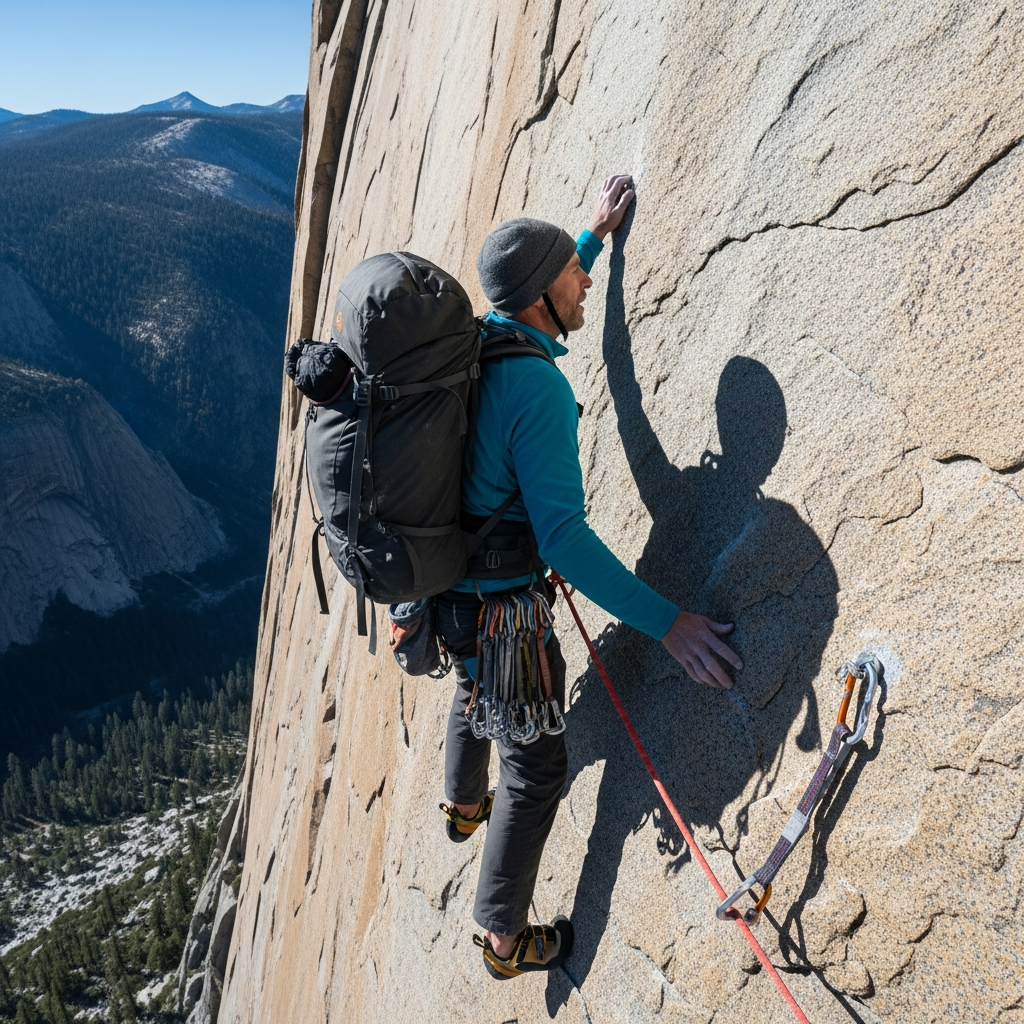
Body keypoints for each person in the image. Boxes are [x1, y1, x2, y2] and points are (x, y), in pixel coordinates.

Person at [432, 174, 743, 980]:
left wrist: (594, 234)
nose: (587, 278)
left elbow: (550, 277)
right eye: (575, 274)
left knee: (472, 690)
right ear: (542, 295)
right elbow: (564, 542)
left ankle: (463, 807)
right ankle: (502, 938)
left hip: (451, 593)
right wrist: (671, 625)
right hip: (499, 614)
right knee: (535, 770)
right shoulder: (535, 385)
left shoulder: (490, 336)